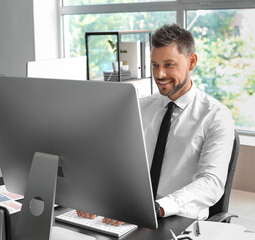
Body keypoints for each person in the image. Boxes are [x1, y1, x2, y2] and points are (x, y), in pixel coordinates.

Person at [78, 24, 235, 225]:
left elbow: (211, 183)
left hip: (179, 219)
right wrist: (91, 194)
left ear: (192, 62)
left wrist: (158, 207)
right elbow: (114, 162)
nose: (159, 74)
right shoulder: (138, 108)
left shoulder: (216, 117)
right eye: (154, 65)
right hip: (130, 213)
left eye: (169, 64)